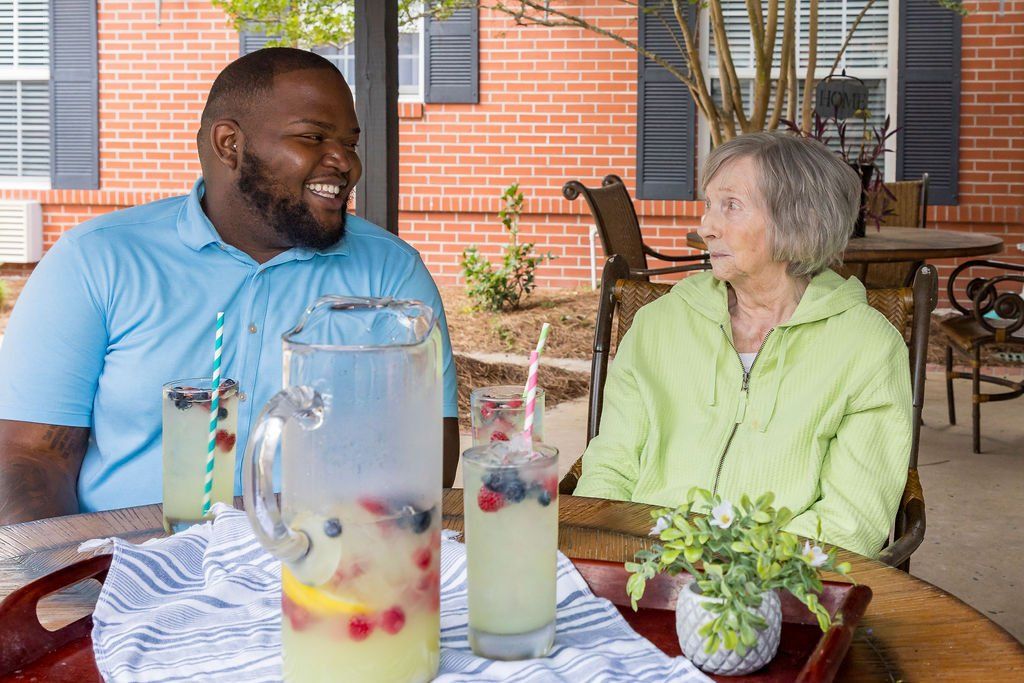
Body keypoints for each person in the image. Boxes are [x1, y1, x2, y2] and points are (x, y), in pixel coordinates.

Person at [0, 48, 460, 525]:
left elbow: (427, 459)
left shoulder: (391, 274)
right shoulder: (97, 261)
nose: (345, 163)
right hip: (124, 570)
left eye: (350, 143)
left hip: (324, 567)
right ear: (229, 144)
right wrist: (70, 583)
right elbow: (30, 457)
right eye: (313, 137)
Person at [574, 131, 913, 558]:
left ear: (800, 220)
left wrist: (738, 576)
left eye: (731, 206)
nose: (706, 227)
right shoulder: (657, 326)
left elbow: (851, 518)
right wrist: (606, 555)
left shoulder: (868, 349)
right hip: (642, 569)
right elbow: (611, 465)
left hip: (775, 588)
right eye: (709, 206)